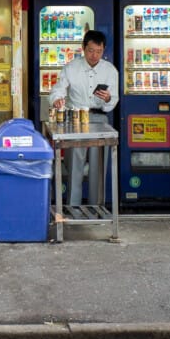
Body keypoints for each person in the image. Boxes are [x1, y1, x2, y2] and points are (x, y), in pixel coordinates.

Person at [48, 29, 118, 207]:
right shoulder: (71, 68)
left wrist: (108, 99)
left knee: (98, 167)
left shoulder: (110, 70)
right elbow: (58, 88)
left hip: (100, 119)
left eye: (99, 51)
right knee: (74, 165)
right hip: (76, 120)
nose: (94, 55)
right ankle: (73, 208)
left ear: (104, 50)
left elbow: (114, 99)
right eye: (91, 50)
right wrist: (57, 99)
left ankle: (97, 207)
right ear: (83, 48)